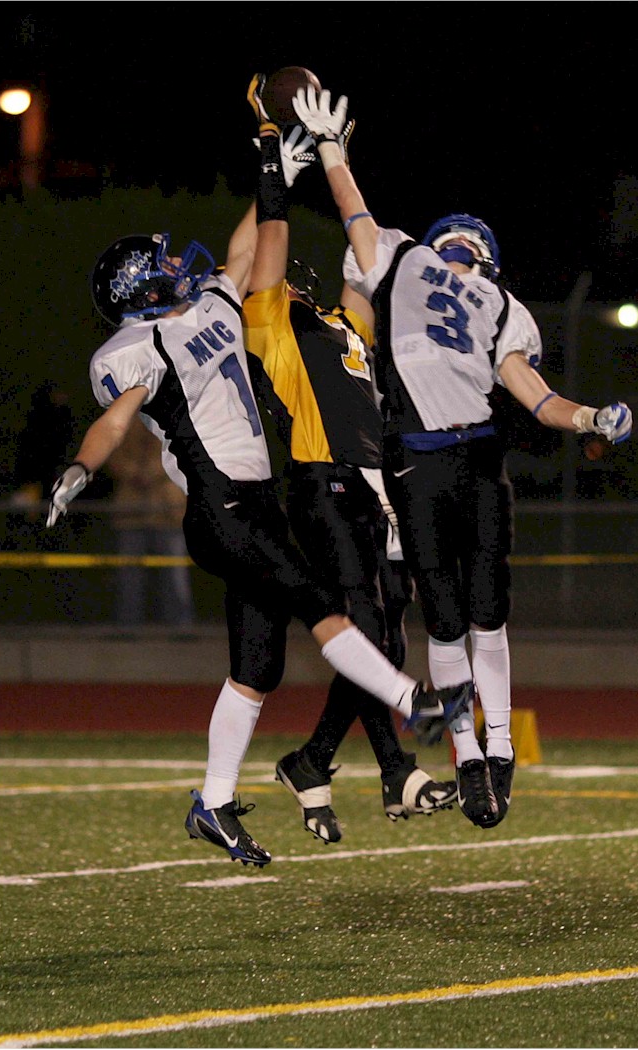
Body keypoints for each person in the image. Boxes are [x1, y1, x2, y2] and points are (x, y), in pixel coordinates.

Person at [45, 182, 471, 868]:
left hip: (258, 502)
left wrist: (275, 178)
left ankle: (212, 804)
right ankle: (411, 700)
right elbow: (117, 417)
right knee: (318, 600)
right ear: (139, 289)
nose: (178, 265)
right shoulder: (134, 347)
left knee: (257, 668)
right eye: (163, 263)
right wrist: (82, 465)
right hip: (221, 508)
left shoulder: (209, 303)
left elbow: (244, 252)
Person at [291, 83, 634, 831]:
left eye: (472, 246)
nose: (463, 249)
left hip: (468, 457)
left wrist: (587, 417)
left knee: (482, 614)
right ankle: (469, 753)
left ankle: (497, 745)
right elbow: (355, 218)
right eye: (458, 240)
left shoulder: (487, 299)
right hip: (423, 459)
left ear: (486, 261)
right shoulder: (411, 262)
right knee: (447, 620)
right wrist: (332, 152)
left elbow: (535, 395)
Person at [241, 79, 457, 843]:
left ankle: (317, 761)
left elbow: (372, 269)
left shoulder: (348, 327)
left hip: (374, 487)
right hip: (323, 479)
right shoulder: (270, 321)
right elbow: (270, 238)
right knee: (364, 625)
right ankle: (397, 763)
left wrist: (344, 173)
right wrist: (275, 158)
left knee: (388, 637)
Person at [107, 418, 195, 630]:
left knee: (174, 572)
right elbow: (110, 452)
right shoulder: (124, 417)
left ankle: (180, 626)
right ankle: (128, 626)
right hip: (131, 508)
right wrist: (133, 472)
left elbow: (186, 453)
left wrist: (154, 472)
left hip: (168, 508)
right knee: (129, 574)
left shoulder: (179, 416)